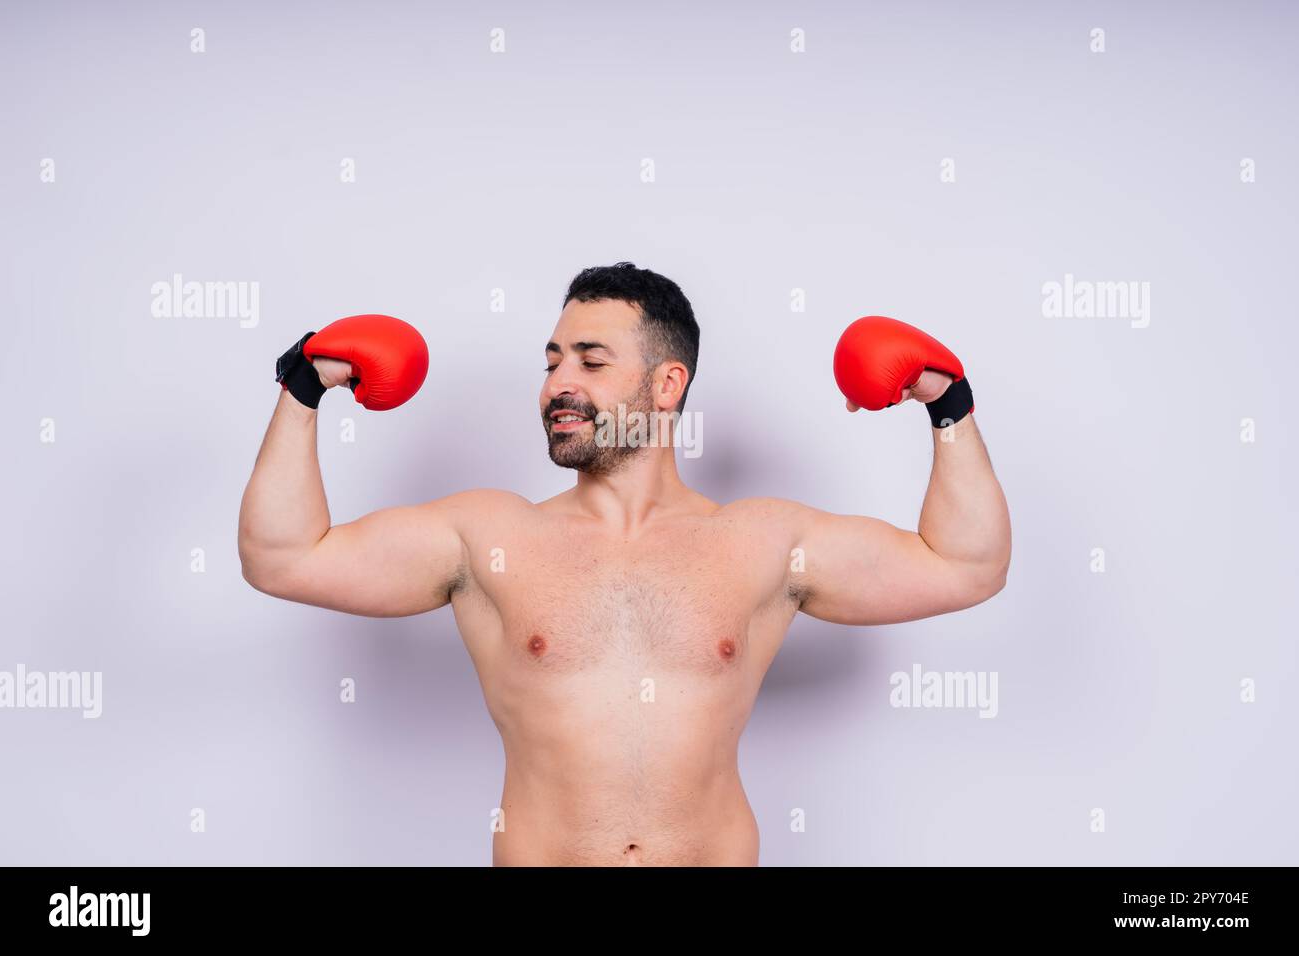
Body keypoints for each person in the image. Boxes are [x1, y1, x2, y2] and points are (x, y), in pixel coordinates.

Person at [237, 262, 1011, 866]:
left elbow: (966, 565)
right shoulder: (487, 536)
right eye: (552, 361)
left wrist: (948, 407)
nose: (557, 384)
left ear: (666, 384)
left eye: (590, 360)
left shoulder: (763, 542)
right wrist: (302, 389)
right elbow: (284, 557)